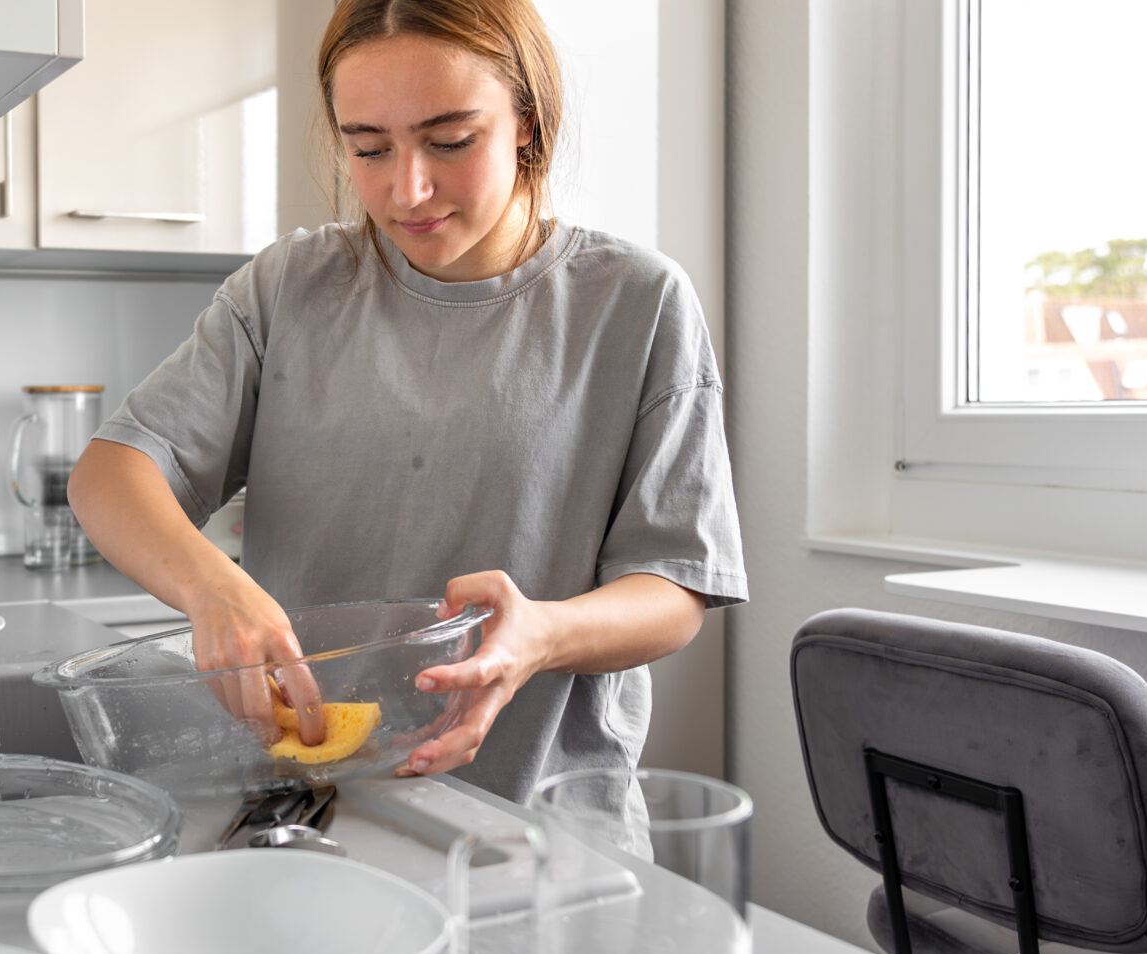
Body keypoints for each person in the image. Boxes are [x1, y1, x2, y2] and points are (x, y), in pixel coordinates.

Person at [67, 0, 746, 807]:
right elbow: (111, 474)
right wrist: (213, 586)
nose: (408, 188)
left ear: (527, 120)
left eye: (451, 141)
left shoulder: (639, 302)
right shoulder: (290, 287)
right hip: (305, 806)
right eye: (368, 148)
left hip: (542, 820)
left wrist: (541, 636)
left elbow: (675, 589)